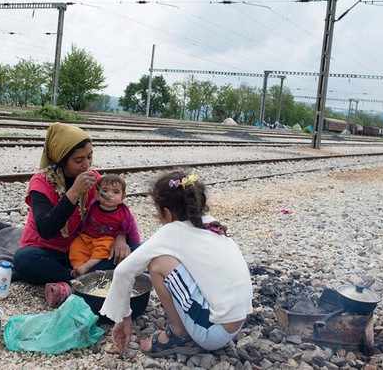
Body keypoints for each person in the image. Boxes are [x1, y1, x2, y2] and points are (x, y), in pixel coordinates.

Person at [100, 171, 253, 357]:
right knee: (171, 261)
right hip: (234, 323)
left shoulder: (172, 231)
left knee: (157, 263)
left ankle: (179, 334)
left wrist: (124, 318)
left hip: (212, 332)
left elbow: (123, 271)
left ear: (167, 213)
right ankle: (188, 325)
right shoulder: (210, 223)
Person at [13, 123, 136, 308]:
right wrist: (74, 192)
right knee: (24, 260)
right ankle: (83, 281)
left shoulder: (94, 178)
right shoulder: (41, 183)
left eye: (90, 156)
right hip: (48, 252)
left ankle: (72, 283)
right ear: (62, 160)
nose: (86, 164)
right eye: (78, 160)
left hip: (83, 249)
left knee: (133, 250)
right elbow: (46, 229)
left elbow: (116, 212)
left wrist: (120, 238)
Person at [69, 174, 140, 277]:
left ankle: (87, 267)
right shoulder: (92, 207)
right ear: (97, 195)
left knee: (106, 248)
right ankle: (78, 267)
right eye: (105, 191)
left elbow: (130, 231)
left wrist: (135, 248)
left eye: (115, 192)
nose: (109, 195)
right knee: (75, 246)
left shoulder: (124, 214)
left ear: (122, 197)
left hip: (105, 240)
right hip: (87, 237)